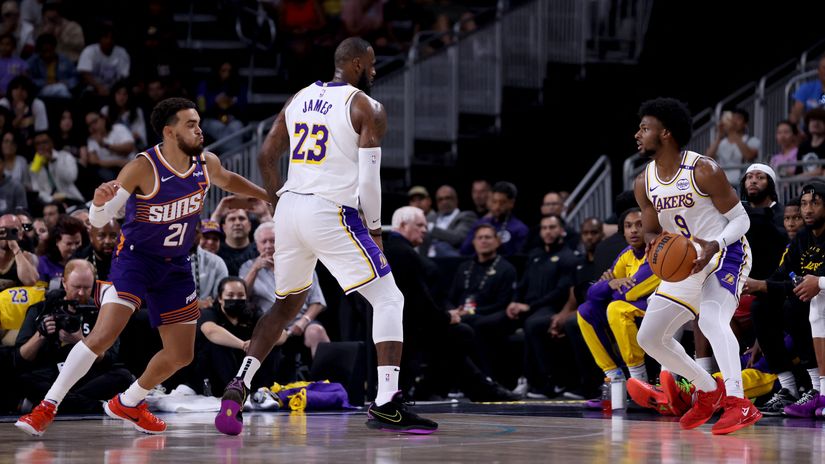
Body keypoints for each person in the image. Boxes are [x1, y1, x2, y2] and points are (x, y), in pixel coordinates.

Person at [214, 38, 437, 436]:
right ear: (354, 63)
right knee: (389, 297)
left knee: (285, 305)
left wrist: (274, 202)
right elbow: (369, 182)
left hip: (291, 209)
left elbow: (266, 156)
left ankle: (239, 384)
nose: (373, 71)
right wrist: (374, 230)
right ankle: (387, 402)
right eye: (369, 64)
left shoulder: (299, 97)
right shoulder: (367, 107)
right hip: (330, 210)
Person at [15, 97, 270, 436]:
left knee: (181, 355)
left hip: (176, 264)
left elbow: (228, 178)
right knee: (104, 335)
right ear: (169, 131)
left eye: (198, 122)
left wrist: (270, 195)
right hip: (136, 259)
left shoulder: (206, 164)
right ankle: (47, 406)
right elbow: (102, 218)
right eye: (190, 124)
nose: (199, 129)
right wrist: (98, 205)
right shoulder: (143, 167)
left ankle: (130, 402)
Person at [633, 97, 760, 435]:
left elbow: (741, 220)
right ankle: (706, 389)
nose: (637, 134)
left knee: (713, 318)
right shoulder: (643, 181)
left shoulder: (703, 170)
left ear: (666, 134)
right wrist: (651, 244)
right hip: (687, 260)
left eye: (645, 128)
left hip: (725, 250)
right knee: (649, 337)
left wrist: (715, 244)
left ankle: (738, 402)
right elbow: (650, 229)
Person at [15, 260, 132, 413]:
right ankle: (99, 407)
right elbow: (19, 358)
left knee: (123, 376)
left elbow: (111, 358)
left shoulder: (101, 312)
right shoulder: (41, 309)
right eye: (76, 287)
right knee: (20, 379)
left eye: (86, 287)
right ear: (64, 283)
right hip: (50, 375)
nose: (81, 293)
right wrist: (40, 335)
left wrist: (83, 342)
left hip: (87, 377)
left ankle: (52, 404)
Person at [577, 208, 660, 384]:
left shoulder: (658, 252)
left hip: (659, 308)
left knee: (616, 308)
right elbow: (592, 294)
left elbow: (630, 292)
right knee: (585, 311)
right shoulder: (627, 254)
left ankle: (639, 379)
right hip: (636, 307)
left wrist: (608, 287)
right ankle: (614, 377)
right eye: (628, 226)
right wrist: (609, 284)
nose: (634, 230)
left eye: (640, 225)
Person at [459, 181, 528, 257]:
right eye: (494, 202)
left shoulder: (519, 229)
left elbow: (519, 259)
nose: (497, 207)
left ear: (511, 203)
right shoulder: (479, 224)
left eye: (502, 203)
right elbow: (464, 251)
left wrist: (499, 246)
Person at [706, 108, 760, 185]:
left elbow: (749, 156)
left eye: (738, 118)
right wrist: (719, 136)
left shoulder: (752, 140)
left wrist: (733, 133)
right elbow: (708, 157)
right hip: (723, 182)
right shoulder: (722, 142)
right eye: (733, 118)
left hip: (741, 183)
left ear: (745, 124)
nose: (734, 122)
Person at [421, 184, 477, 257]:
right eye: (440, 199)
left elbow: (458, 238)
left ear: (456, 200)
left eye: (448, 198)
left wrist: (431, 228)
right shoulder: (430, 218)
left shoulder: (466, 216)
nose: (444, 202)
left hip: (451, 261)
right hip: (428, 260)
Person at [789, 54, 825, 125]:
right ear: (818, 70)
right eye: (824, 68)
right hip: (810, 133)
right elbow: (795, 116)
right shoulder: (806, 89)